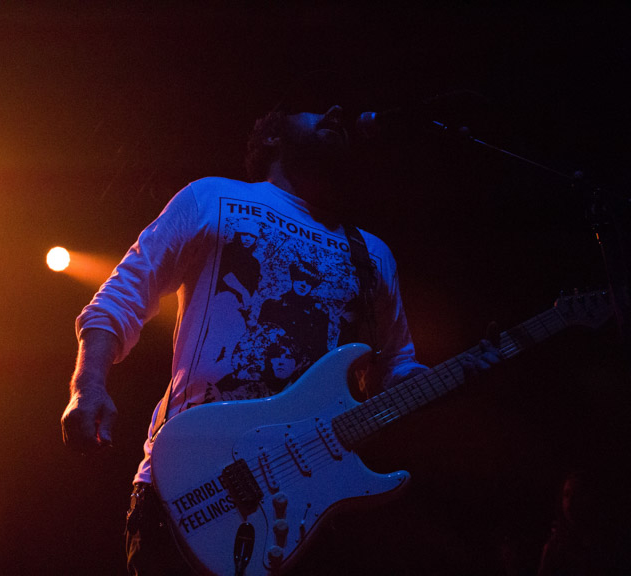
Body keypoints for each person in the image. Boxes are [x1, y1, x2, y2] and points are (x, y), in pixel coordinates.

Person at [61, 101, 500, 575]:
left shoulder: (373, 255)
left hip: (306, 515)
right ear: (272, 137)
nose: (336, 111)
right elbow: (122, 295)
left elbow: (393, 368)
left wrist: (452, 378)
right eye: (312, 107)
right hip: (192, 487)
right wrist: (88, 386)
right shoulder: (212, 197)